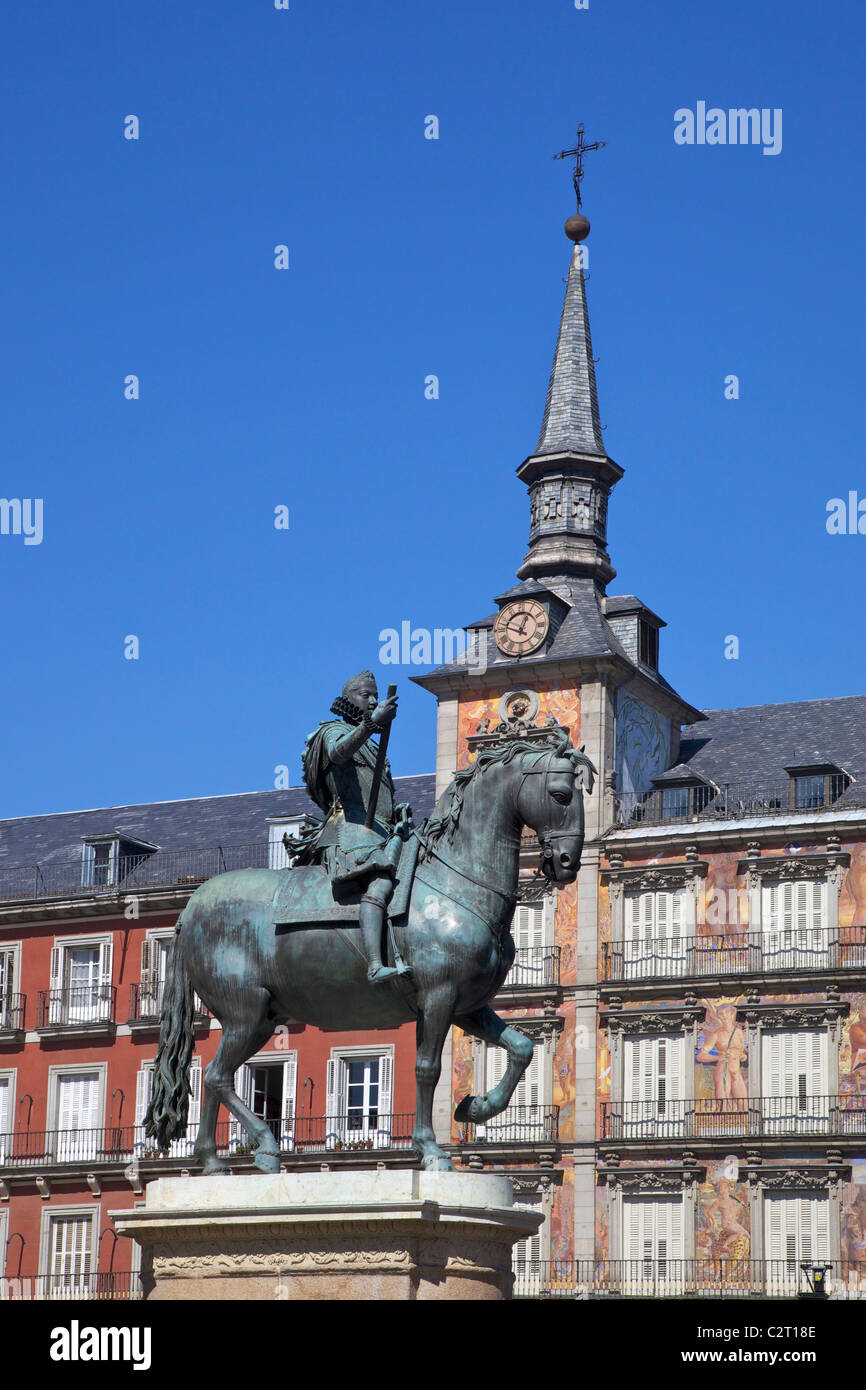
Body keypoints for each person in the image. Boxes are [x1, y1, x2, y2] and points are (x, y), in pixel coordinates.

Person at [301, 671, 412, 985]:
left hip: (380, 831)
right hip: (348, 829)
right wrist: (372, 722)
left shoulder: (374, 748)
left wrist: (396, 813)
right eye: (367, 695)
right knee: (379, 881)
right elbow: (339, 753)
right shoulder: (330, 731)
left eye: (376, 695)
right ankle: (375, 965)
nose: (374, 700)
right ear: (349, 697)